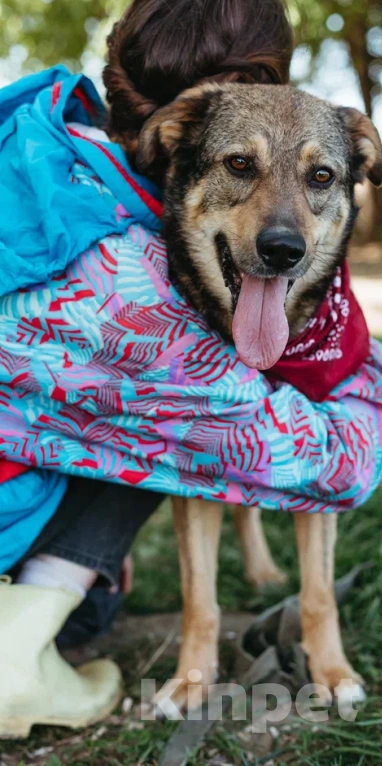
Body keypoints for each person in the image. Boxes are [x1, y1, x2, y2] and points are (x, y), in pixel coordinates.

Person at [0, 0, 293, 738]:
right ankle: (20, 648)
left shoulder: (29, 132)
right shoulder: (139, 281)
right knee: (161, 425)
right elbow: (312, 457)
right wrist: (367, 389)